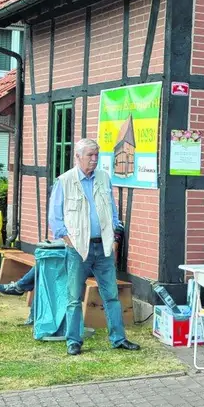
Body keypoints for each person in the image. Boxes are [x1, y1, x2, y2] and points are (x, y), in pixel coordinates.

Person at [49, 138, 141, 355]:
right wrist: (68, 241)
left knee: (111, 296)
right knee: (74, 297)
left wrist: (116, 235)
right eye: (90, 155)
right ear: (78, 157)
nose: (94, 159)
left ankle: (118, 339)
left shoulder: (104, 178)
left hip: (104, 248)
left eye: (96, 155)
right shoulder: (65, 181)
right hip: (78, 249)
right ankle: (73, 341)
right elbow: (55, 218)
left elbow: (112, 209)